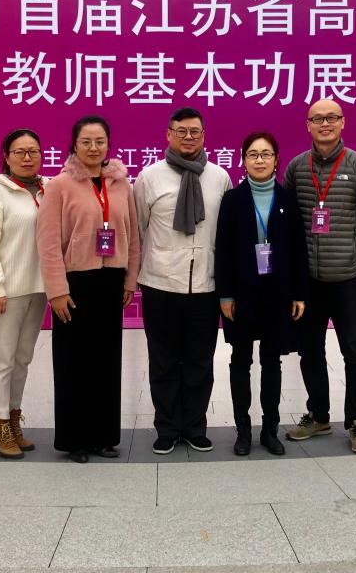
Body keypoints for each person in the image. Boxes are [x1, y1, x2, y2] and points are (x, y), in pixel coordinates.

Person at [283, 99, 356, 453]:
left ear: (343, 122)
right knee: (310, 350)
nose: (324, 124)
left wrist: (354, 249)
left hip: (348, 279)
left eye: (331, 118)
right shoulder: (297, 167)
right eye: (317, 119)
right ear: (308, 125)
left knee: (354, 352)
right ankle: (318, 414)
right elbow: (289, 217)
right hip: (308, 281)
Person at [36, 116, 140, 463]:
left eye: (100, 141)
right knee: (74, 363)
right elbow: (48, 242)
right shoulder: (59, 185)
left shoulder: (121, 184)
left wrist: (130, 280)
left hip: (111, 282)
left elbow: (133, 237)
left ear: (108, 144)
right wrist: (56, 290)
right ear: (74, 145)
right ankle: (75, 440)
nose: (94, 148)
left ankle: (103, 437)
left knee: (106, 362)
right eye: (86, 141)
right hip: (74, 285)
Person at [134, 107, 233, 454]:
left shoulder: (219, 177)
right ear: (168, 134)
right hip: (160, 284)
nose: (188, 137)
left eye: (195, 132)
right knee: (162, 362)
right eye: (181, 131)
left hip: (205, 286)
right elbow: (138, 230)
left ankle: (194, 426)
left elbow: (226, 233)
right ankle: (166, 428)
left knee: (199, 363)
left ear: (204, 135)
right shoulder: (149, 177)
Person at [215, 131, 309, 456]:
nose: (259, 160)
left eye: (266, 154)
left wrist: (299, 294)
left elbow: (298, 250)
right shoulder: (232, 200)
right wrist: (225, 295)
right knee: (240, 361)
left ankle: (270, 430)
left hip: (278, 294)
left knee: (272, 362)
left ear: (276, 160)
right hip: (241, 294)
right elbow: (223, 250)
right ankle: (243, 431)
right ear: (243, 160)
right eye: (253, 154)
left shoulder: (288, 200)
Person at [0, 128, 48, 459]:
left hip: (39, 289)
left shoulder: (48, 189)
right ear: (6, 156)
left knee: (22, 359)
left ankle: (14, 417)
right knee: (2, 359)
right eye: (20, 152)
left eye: (33, 151)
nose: (27, 157)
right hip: (6, 292)